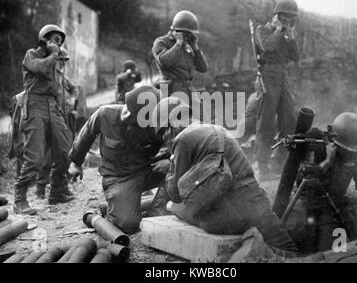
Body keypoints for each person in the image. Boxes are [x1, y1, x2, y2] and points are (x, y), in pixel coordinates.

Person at [151, 96, 297, 253]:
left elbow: (175, 194)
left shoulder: (183, 139)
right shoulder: (218, 129)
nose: (166, 138)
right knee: (287, 247)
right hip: (256, 203)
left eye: (164, 132)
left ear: (170, 124)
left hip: (222, 218)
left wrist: (170, 166)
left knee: (172, 206)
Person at [68, 86, 170, 234]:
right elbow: (86, 134)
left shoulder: (156, 122)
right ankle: (115, 209)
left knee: (178, 169)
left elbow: (177, 142)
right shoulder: (105, 115)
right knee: (128, 225)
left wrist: (170, 161)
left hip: (147, 170)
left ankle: (156, 212)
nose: (125, 116)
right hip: (118, 178)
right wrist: (76, 162)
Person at [273, 112, 357, 252]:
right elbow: (303, 179)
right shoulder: (318, 144)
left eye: (352, 150)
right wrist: (327, 162)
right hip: (307, 202)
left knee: (334, 249)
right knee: (289, 236)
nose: (348, 153)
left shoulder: (355, 149)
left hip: (334, 206)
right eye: (346, 150)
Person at [14, 24, 74, 214]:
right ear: (45, 39)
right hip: (35, 105)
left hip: (51, 106)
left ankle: (57, 190)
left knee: (66, 150)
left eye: (60, 41)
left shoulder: (54, 62)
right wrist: (53, 55)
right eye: (55, 39)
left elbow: (57, 89)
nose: (58, 44)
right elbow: (39, 69)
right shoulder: (31, 55)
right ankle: (20, 199)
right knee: (35, 158)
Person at [254, 0, 300, 180]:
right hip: (267, 75)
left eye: (291, 18)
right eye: (285, 17)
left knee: (289, 119)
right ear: (277, 16)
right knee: (266, 122)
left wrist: (291, 35)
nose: (288, 20)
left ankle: (278, 161)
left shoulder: (286, 34)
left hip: (283, 76)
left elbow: (295, 56)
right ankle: (262, 166)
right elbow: (267, 47)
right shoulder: (262, 30)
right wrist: (279, 30)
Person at [152, 10, 208, 104]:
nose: (188, 36)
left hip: (187, 90)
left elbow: (203, 68)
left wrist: (195, 48)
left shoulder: (187, 46)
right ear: (176, 31)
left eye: (190, 34)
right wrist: (178, 44)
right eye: (186, 33)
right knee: (178, 117)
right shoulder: (161, 42)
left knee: (203, 115)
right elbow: (164, 62)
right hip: (170, 92)